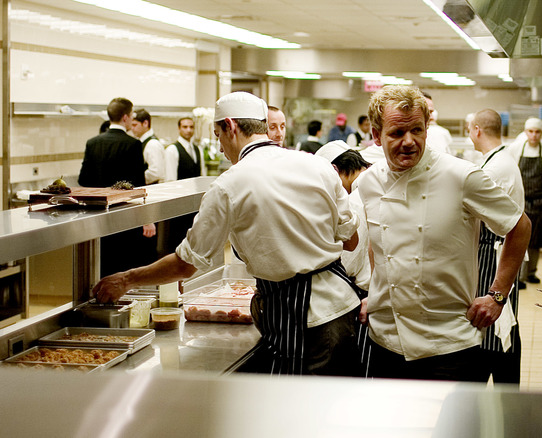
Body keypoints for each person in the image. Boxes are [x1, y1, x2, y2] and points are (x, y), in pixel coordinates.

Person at [92, 92, 362, 376]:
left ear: (231, 127)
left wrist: (126, 279)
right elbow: (351, 240)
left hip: (303, 321)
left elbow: (186, 265)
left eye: (218, 135)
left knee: (298, 412)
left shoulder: (229, 185)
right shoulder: (316, 164)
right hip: (342, 308)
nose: (220, 148)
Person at [358, 85, 527, 382]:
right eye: (397, 133)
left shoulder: (460, 176)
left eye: (417, 130)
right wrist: (375, 292)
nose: (409, 142)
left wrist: (498, 295)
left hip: (450, 344)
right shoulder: (370, 182)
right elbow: (378, 244)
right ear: (376, 135)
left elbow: (519, 225)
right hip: (385, 339)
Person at [468, 108, 531, 384]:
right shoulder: (497, 160)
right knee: (499, 329)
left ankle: (501, 392)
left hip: (496, 255)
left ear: (477, 130)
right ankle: (504, 391)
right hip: (495, 251)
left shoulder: (495, 167)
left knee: (492, 328)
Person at [78, 97, 156, 275]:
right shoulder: (133, 144)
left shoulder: (92, 143)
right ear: (126, 117)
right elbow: (138, 186)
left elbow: (83, 179)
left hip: (97, 214)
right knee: (124, 265)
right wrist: (147, 218)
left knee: (102, 265)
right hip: (124, 215)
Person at [315, 140, 373, 374]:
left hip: (366, 298)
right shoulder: (372, 184)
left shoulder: (355, 200)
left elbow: (349, 263)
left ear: (335, 171)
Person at [507, 117, 542, 286]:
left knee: (536, 240)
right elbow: (509, 171)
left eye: (537, 132)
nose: (534, 135)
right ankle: (520, 276)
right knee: (521, 239)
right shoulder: (515, 148)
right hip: (520, 200)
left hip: (539, 201)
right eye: (530, 132)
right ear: (525, 132)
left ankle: (531, 272)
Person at [162, 116, 204, 255]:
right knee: (177, 240)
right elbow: (171, 181)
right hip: (179, 205)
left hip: (194, 204)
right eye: (185, 127)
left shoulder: (197, 150)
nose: (188, 130)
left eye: (191, 127)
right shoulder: (172, 150)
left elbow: (201, 176)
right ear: (179, 128)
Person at [131, 109, 166, 185]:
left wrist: (134, 179)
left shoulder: (152, 144)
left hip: (152, 190)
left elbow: (156, 172)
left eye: (134, 125)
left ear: (145, 123)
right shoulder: (141, 142)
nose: (132, 128)